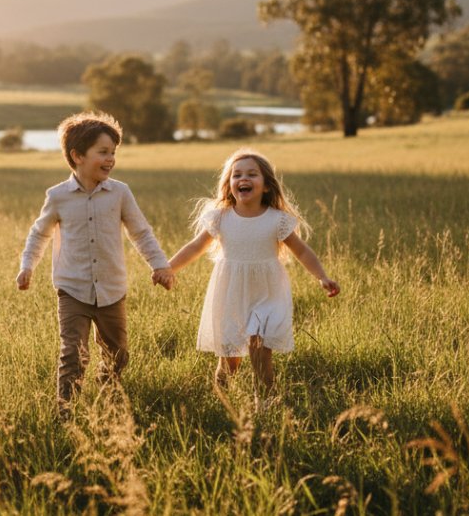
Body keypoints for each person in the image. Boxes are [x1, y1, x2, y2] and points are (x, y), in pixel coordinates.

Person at [18, 111, 172, 409]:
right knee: (73, 353)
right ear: (77, 156)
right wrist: (27, 266)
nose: (111, 159)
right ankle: (66, 411)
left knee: (118, 354)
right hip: (72, 289)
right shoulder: (58, 196)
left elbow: (141, 233)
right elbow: (39, 234)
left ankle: (108, 397)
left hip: (112, 290)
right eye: (103, 152)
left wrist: (160, 265)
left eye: (113, 152)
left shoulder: (120, 193)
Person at [156, 148, 339, 397]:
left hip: (268, 291)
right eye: (236, 175)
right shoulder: (221, 217)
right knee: (229, 360)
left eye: (252, 174)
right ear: (229, 184)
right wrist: (168, 268)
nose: (243, 179)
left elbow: (303, 252)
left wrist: (322, 276)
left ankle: (265, 398)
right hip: (230, 291)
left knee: (260, 345)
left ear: (266, 185)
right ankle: (221, 399)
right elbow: (196, 247)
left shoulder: (277, 220)